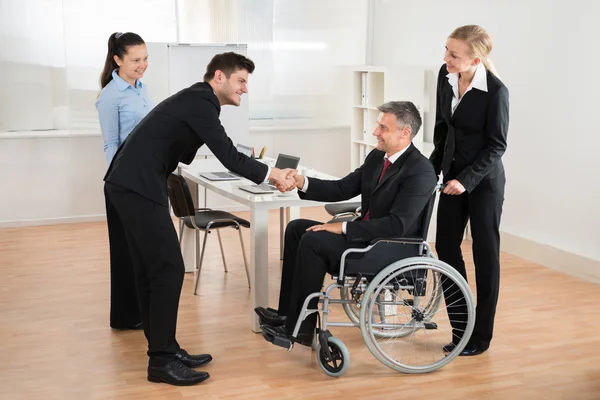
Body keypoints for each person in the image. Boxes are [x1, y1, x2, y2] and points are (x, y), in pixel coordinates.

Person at [103, 52, 296, 386]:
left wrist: (239, 156)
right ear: (219, 77)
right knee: (168, 269)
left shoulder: (198, 99)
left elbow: (211, 147)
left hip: (128, 183)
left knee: (151, 270)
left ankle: (165, 348)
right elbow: (229, 157)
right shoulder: (201, 101)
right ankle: (161, 361)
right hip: (136, 186)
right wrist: (272, 172)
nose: (244, 89)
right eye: (241, 81)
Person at [255, 101, 437, 347]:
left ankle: (301, 330)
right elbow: (342, 187)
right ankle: (288, 314)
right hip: (369, 238)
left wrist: (342, 227)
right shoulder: (377, 157)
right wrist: (300, 181)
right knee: (296, 229)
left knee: (313, 240)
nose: (375, 132)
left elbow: (397, 226)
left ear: (405, 133)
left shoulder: (421, 171)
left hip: (389, 248)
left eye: (383, 128)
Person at [429, 25, 509, 356]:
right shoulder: (445, 76)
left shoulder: (496, 92)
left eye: (453, 54)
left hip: (483, 183)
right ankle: (461, 328)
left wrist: (467, 179)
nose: (445, 58)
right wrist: (429, 170)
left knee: (484, 256)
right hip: (451, 179)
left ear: (475, 59)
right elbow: (441, 128)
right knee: (446, 249)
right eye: (446, 49)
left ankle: (482, 336)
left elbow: (496, 146)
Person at [96, 32, 154, 333]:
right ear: (118, 60)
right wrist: (121, 182)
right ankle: (124, 316)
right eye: (135, 60)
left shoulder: (142, 90)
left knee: (140, 249)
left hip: (144, 180)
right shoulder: (110, 96)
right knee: (124, 250)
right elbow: (111, 144)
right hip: (123, 184)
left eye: (144, 58)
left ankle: (139, 312)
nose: (142, 65)